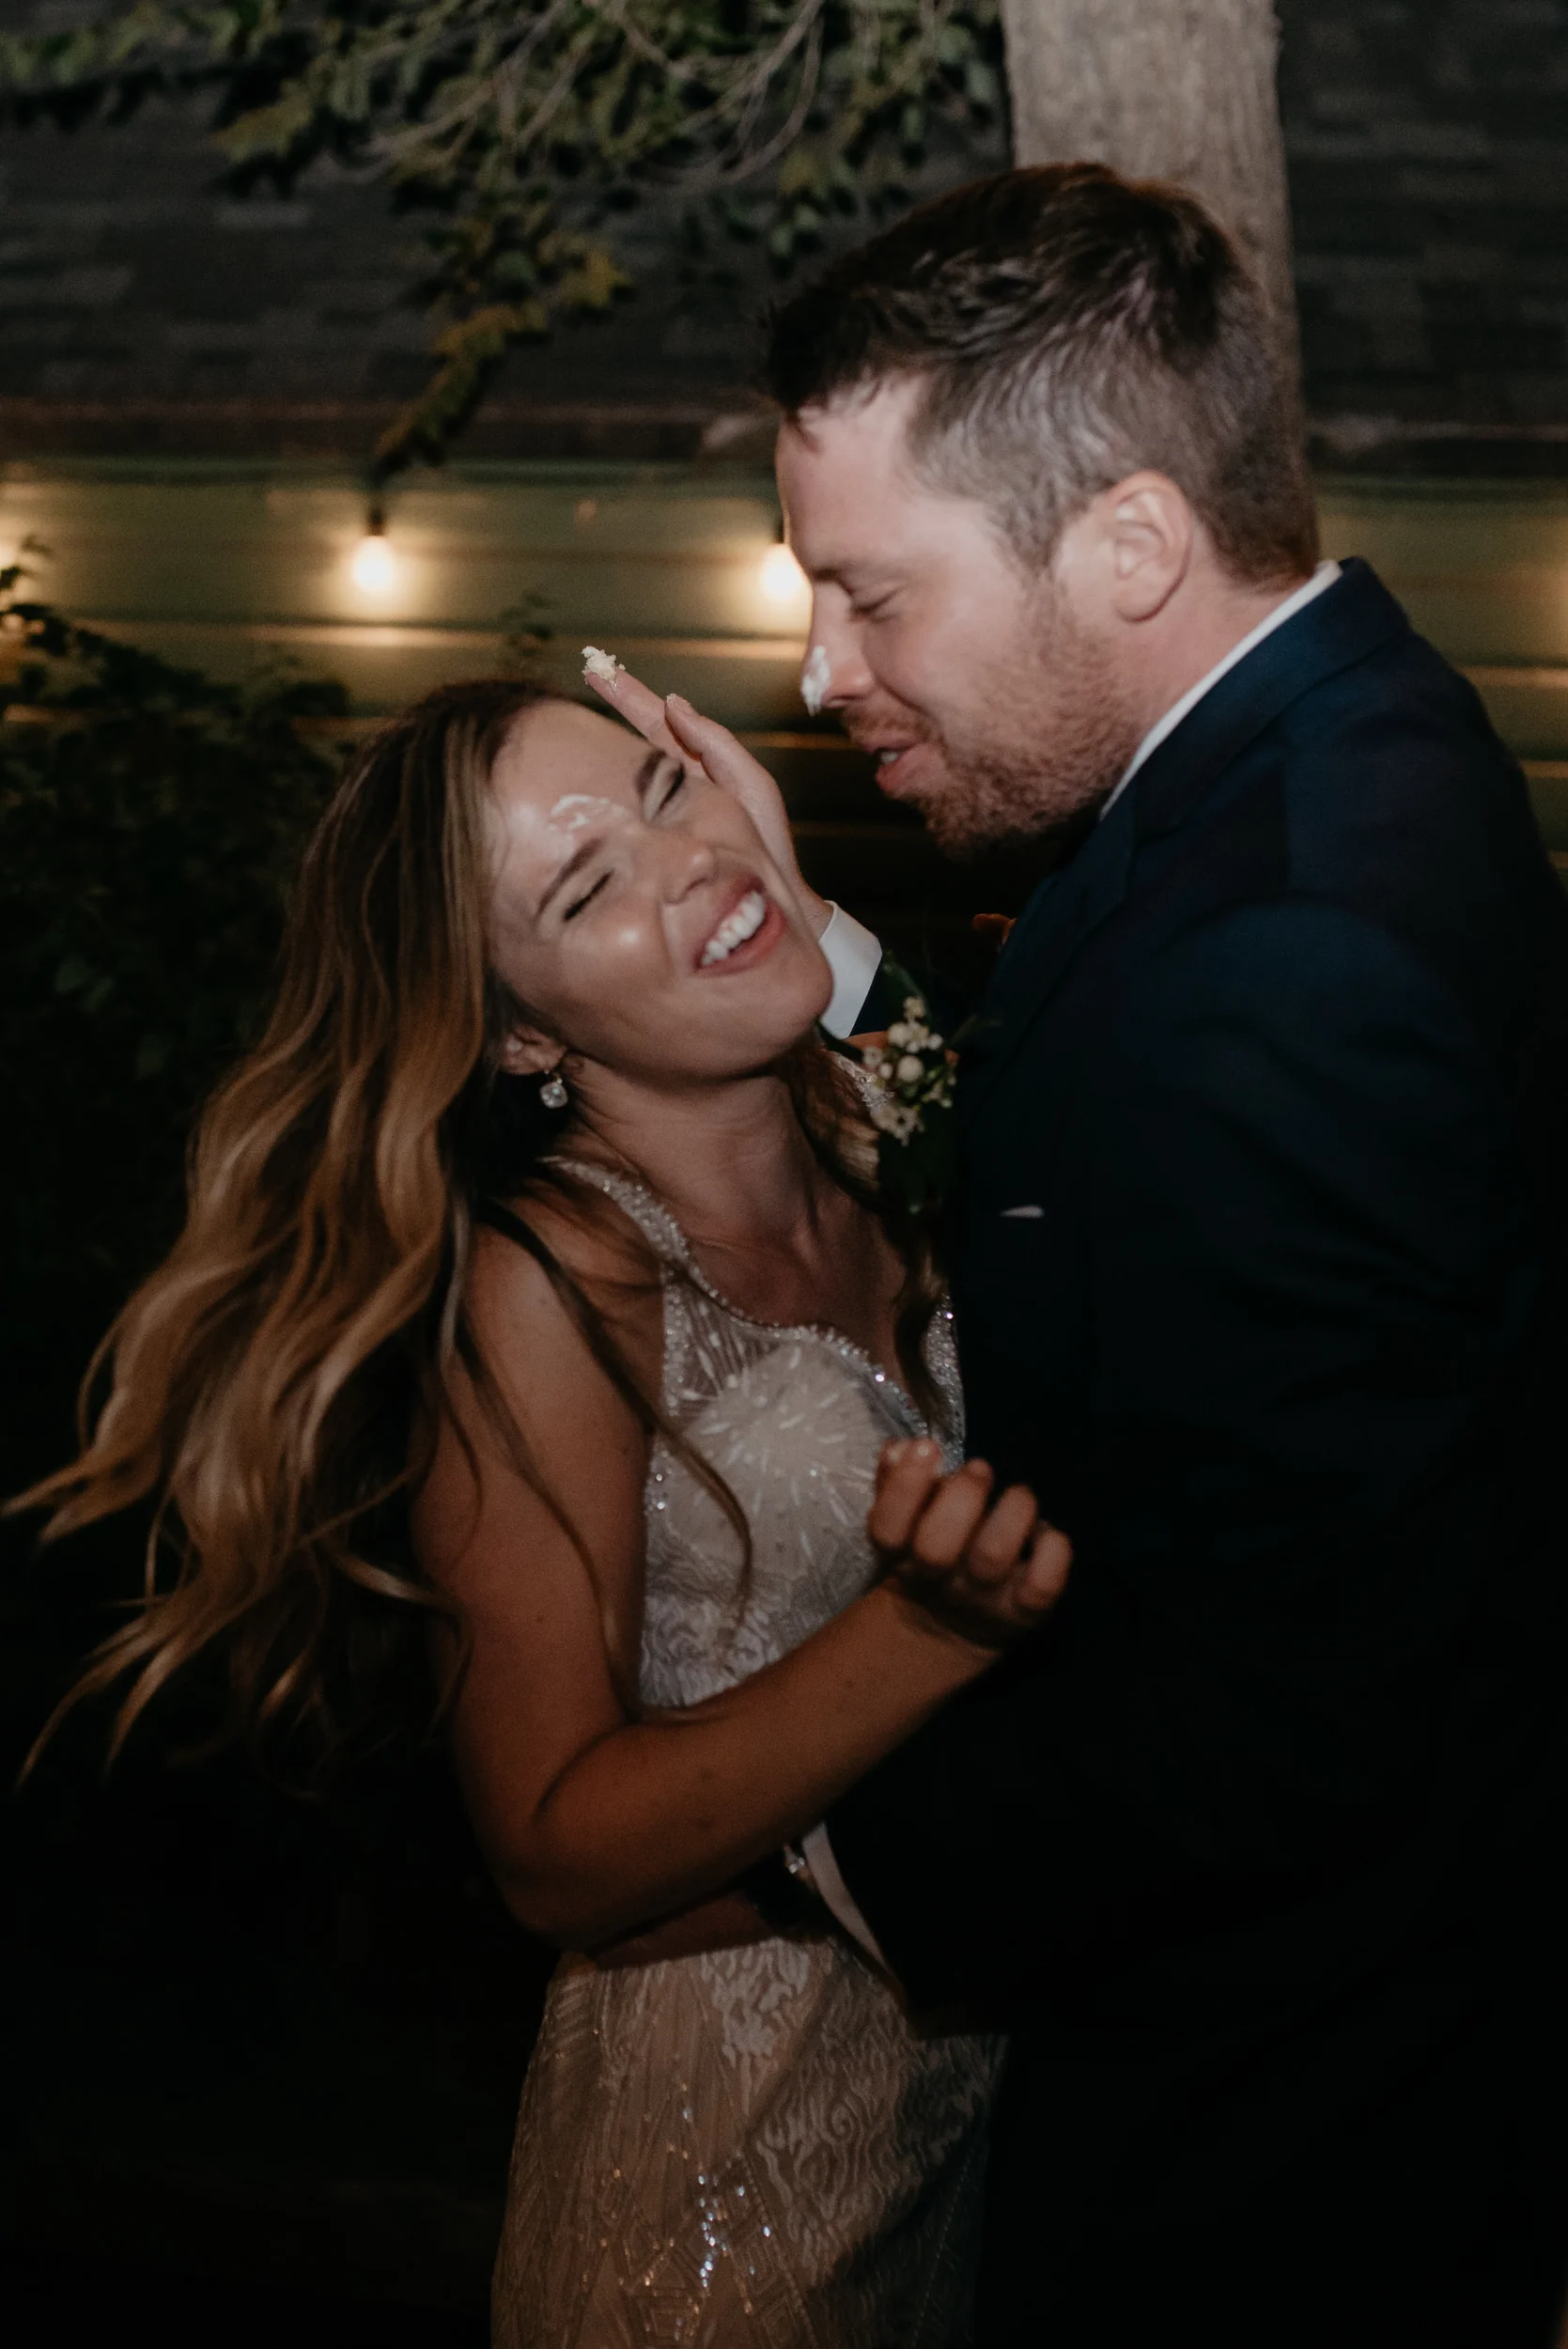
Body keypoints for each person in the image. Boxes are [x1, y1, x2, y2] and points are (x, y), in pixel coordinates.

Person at [602, 165, 1568, 2348]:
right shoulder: (1339, 749)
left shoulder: (1293, 944)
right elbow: (1117, 1105)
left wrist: (795, 1864)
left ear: (1128, 544)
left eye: (872, 595)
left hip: (1282, 2153)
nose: (819, 670)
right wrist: (817, 947)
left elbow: (1300, 1701)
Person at [16, 674, 1072, 2346]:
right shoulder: (553, 1288)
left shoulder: (896, 1135)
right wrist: (925, 1636)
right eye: (586, 890)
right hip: (733, 2206)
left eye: (667, 789)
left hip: (1010, 2150)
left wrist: (793, 897)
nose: (689, 862)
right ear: (521, 1035)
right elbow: (550, 1851)